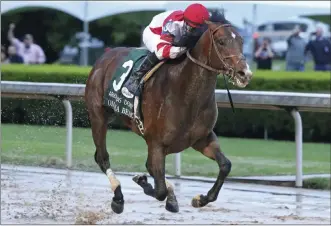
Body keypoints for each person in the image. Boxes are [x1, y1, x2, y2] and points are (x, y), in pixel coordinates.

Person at [123, 3, 210, 95]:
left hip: (176, 37)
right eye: (192, 28)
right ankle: (134, 79)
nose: (195, 31)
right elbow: (163, 50)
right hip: (155, 33)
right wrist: (183, 49)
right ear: (185, 20)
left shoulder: (202, 22)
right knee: (163, 53)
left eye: (198, 28)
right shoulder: (173, 24)